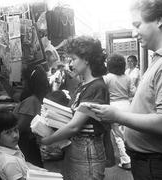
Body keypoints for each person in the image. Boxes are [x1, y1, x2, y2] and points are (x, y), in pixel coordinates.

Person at [89, 0, 162, 179]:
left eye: (138, 25)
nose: (135, 33)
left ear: (158, 20)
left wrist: (117, 116)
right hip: (152, 163)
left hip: (159, 166)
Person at [41, 36, 113, 180]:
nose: (71, 64)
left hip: (87, 152)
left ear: (86, 59)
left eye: (73, 59)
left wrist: (48, 140)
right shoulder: (84, 86)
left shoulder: (96, 87)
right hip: (78, 150)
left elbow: (74, 126)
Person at [0, 110, 46, 180]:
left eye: (15, 130)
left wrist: (40, 171)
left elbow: (24, 164)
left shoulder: (12, 146)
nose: (15, 135)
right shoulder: (9, 162)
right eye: (8, 132)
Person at [13, 65, 50, 167]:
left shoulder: (31, 101)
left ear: (29, 81)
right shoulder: (37, 98)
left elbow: (19, 128)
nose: (22, 83)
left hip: (26, 146)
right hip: (30, 145)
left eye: (24, 80)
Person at [103, 53, 132, 170]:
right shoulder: (127, 77)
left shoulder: (107, 78)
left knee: (117, 135)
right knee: (128, 133)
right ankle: (132, 157)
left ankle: (126, 161)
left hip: (114, 106)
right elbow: (132, 92)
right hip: (127, 105)